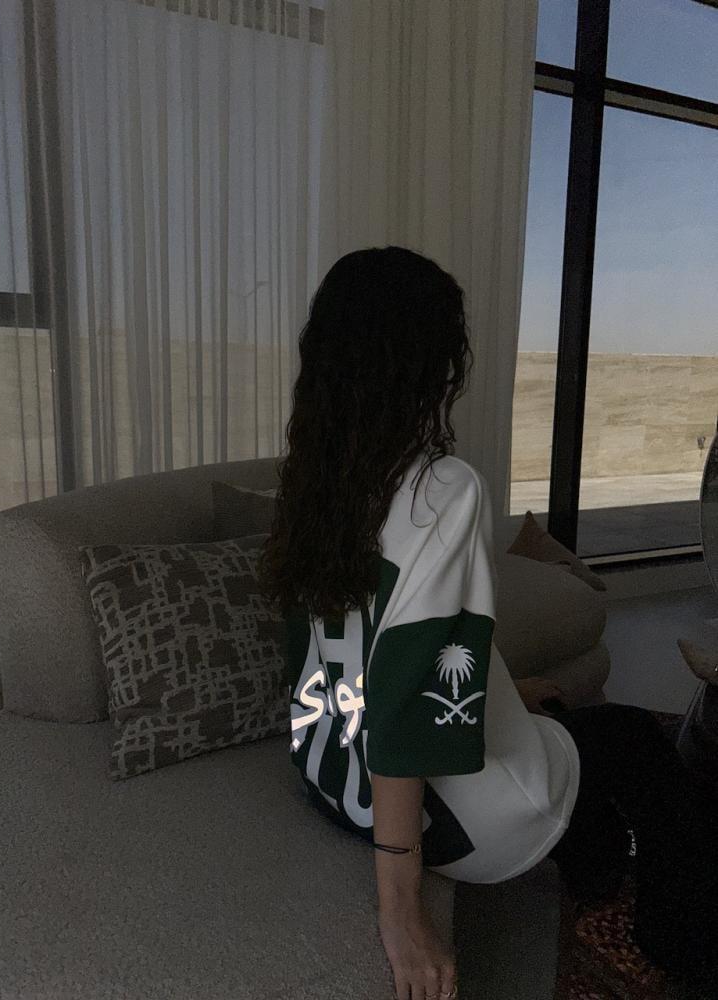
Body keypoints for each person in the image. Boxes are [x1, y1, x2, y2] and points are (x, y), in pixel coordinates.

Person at [257, 246, 718, 1000]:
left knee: (552, 713)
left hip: (331, 782)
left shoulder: (310, 487)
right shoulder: (442, 490)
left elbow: (353, 653)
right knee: (634, 740)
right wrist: (400, 911)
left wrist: (506, 689)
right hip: (456, 826)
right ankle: (682, 943)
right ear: (428, 366)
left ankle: (594, 861)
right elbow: (407, 705)